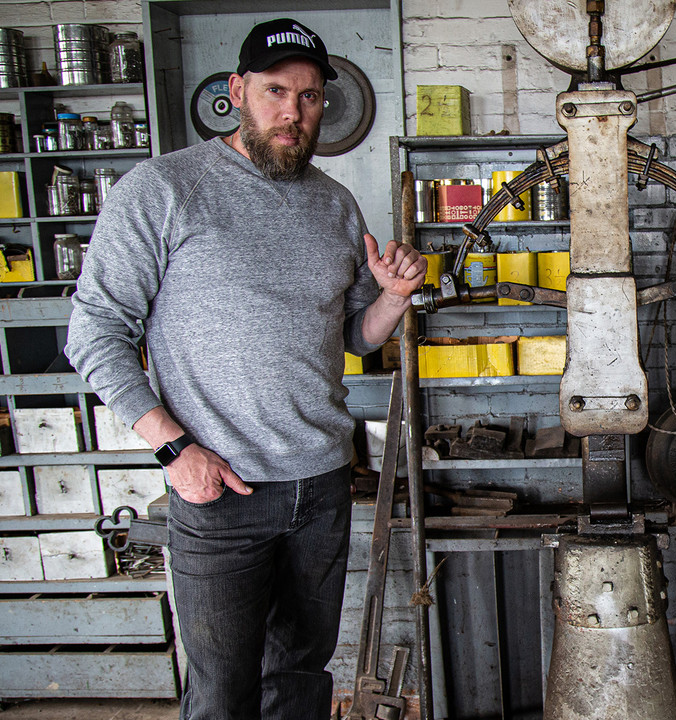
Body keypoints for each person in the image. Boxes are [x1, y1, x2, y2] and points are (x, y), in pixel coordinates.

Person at [66, 18, 425, 720]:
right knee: (224, 693)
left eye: (311, 96)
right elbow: (95, 331)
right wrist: (173, 447)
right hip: (218, 489)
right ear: (237, 91)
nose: (293, 112)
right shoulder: (163, 189)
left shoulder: (334, 204)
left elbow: (354, 336)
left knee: (299, 677)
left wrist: (393, 296)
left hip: (319, 484)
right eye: (275, 91)